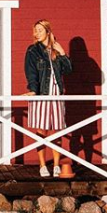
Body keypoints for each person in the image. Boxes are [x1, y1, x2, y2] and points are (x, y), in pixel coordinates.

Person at [24, 20, 72, 177]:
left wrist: (63, 53)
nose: (35, 33)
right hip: (41, 94)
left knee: (57, 130)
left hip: (57, 94)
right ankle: (43, 165)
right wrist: (33, 90)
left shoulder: (56, 50)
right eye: (35, 30)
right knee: (41, 130)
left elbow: (69, 70)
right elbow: (31, 73)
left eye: (39, 30)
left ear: (48, 31)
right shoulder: (33, 51)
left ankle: (57, 165)